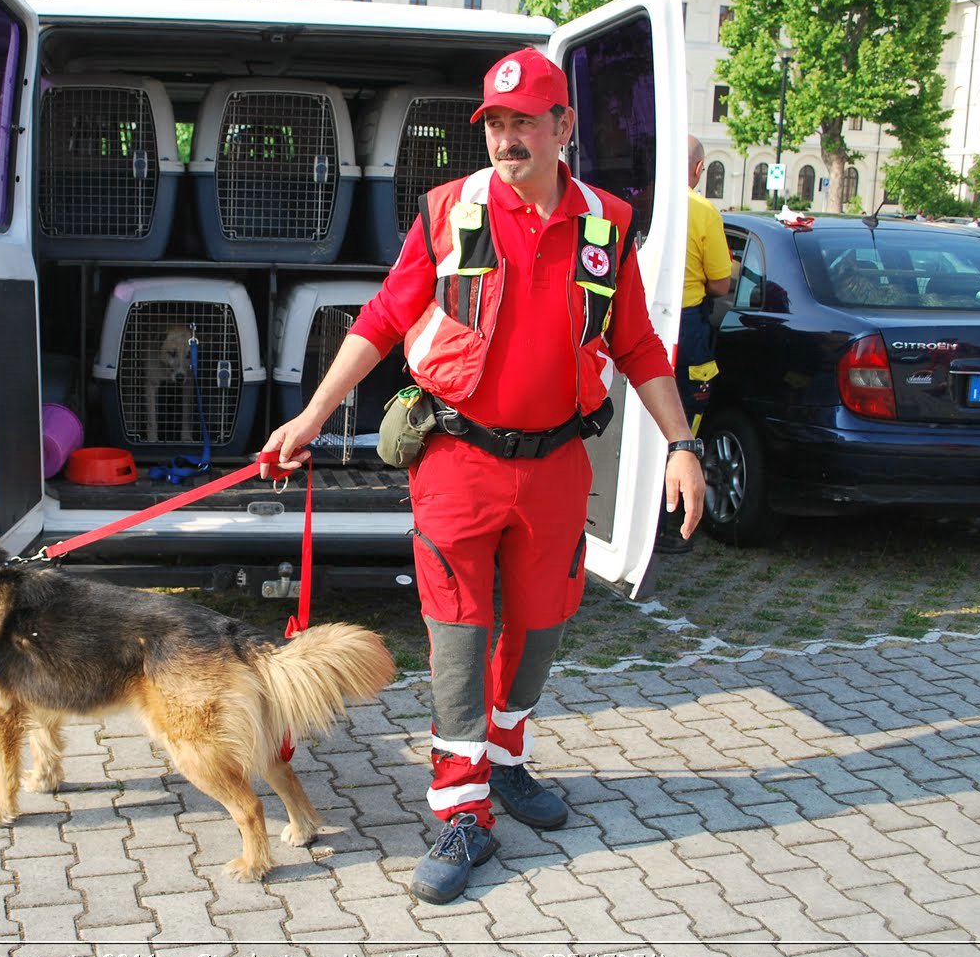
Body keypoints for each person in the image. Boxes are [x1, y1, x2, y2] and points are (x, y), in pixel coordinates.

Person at [259, 47, 706, 905]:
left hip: (556, 467)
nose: (505, 140)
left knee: (540, 626)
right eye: (494, 124)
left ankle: (506, 761)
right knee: (459, 638)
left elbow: (639, 345)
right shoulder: (448, 210)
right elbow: (386, 316)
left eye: (522, 122)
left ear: (563, 127)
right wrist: (312, 415)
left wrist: (681, 445)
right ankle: (462, 810)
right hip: (458, 460)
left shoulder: (608, 223)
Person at [655, 135, 732, 554]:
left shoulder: (643, 202)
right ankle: (671, 529)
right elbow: (721, 283)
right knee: (684, 427)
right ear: (699, 169)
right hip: (686, 329)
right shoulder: (701, 210)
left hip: (640, 322)